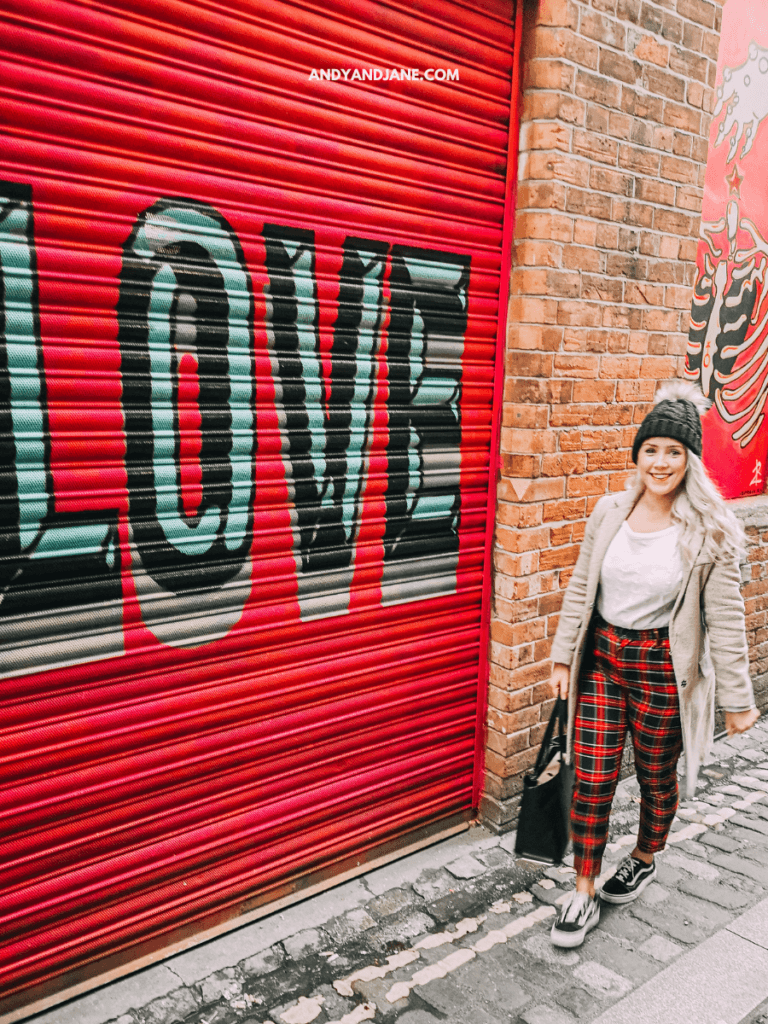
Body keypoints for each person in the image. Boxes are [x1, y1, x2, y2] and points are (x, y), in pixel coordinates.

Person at [547, 380, 760, 949]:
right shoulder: (610, 511)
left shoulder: (709, 531)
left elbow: (726, 620)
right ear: (637, 454)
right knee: (591, 778)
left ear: (690, 461)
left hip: (663, 666)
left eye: (674, 452)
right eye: (652, 449)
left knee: (655, 777)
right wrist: (564, 657)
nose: (660, 462)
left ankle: (644, 855)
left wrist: (738, 699)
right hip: (602, 658)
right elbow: (579, 587)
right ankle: (584, 889)